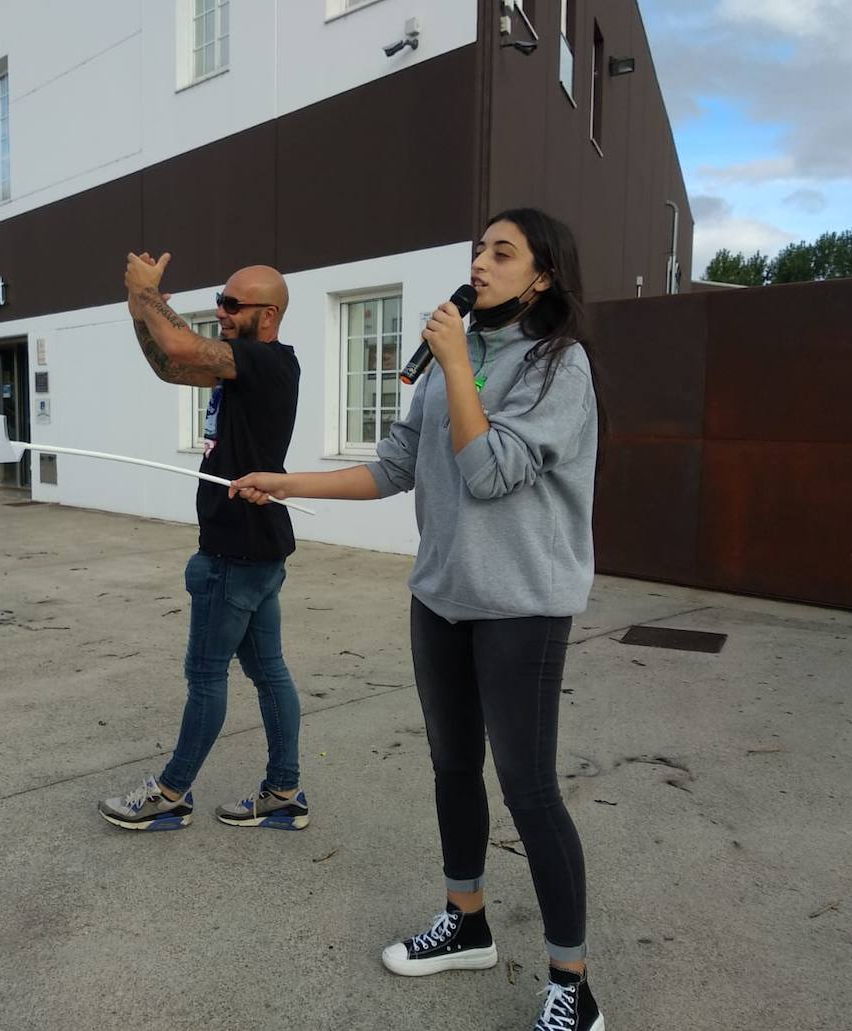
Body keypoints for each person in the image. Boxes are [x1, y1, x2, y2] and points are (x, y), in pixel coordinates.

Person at [231, 210, 605, 1031]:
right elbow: (398, 465)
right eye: (479, 248)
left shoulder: (558, 366)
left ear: (542, 275)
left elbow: (492, 471)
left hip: (522, 605)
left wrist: (455, 366)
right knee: (451, 766)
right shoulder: (452, 357)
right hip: (440, 596)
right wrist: (287, 483)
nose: (481, 261)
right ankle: (466, 920)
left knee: (530, 787)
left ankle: (572, 985)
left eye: (502, 252)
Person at [97, 253, 311, 834]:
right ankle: (284, 791)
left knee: (206, 674)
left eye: (232, 305)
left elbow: (184, 347)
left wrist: (149, 292)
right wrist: (136, 300)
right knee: (269, 672)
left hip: (235, 551)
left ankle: (170, 791)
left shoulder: (265, 361)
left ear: (268, 316)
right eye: (219, 300)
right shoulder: (244, 366)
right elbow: (169, 362)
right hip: (256, 547)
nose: (221, 311)